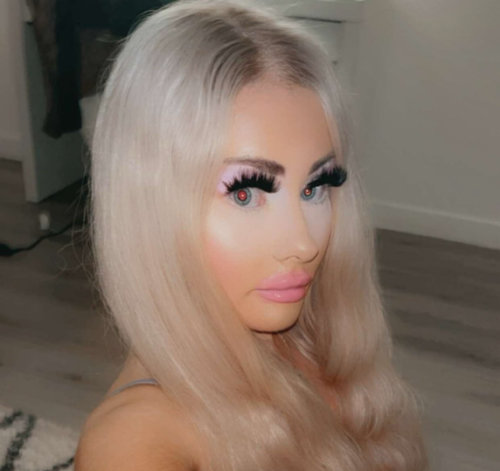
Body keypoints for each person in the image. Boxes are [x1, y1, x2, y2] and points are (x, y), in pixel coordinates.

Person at [74, 0, 428, 470]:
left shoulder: (314, 342)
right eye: (246, 193)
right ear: (152, 206)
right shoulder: (133, 446)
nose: (304, 244)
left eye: (316, 186)